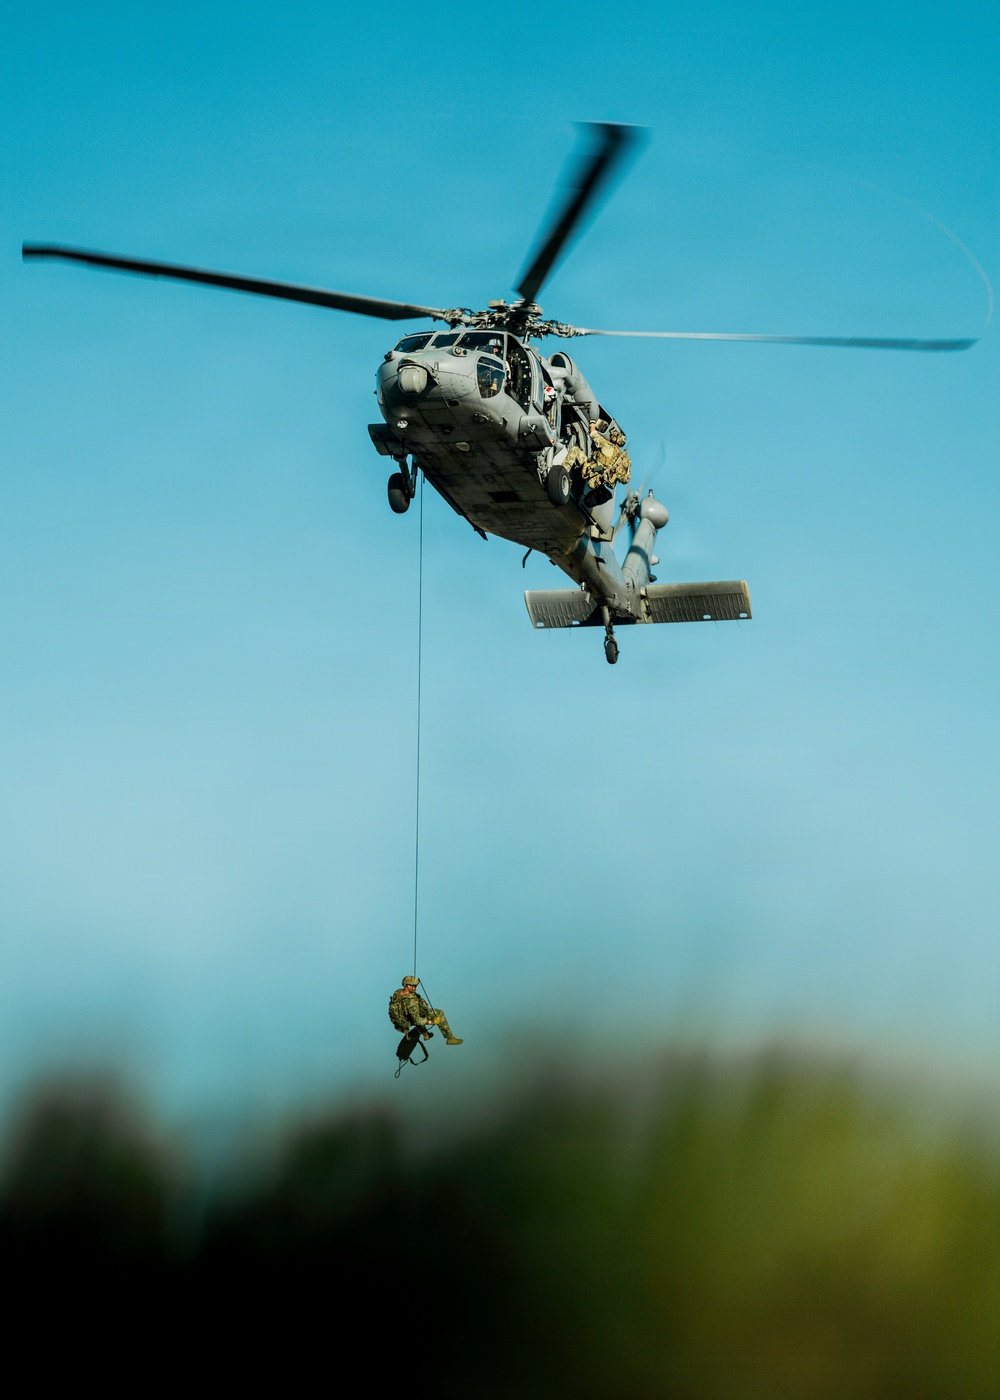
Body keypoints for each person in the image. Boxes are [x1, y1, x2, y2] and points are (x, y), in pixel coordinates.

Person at [388, 976, 463, 1045]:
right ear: (407, 986)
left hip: (404, 1019)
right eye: (414, 986)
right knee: (439, 1013)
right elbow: (418, 1021)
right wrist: (431, 1022)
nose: (416, 988)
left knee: (418, 1015)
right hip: (409, 1020)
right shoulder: (410, 1002)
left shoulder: (398, 993)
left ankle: (426, 1034)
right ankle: (450, 1038)